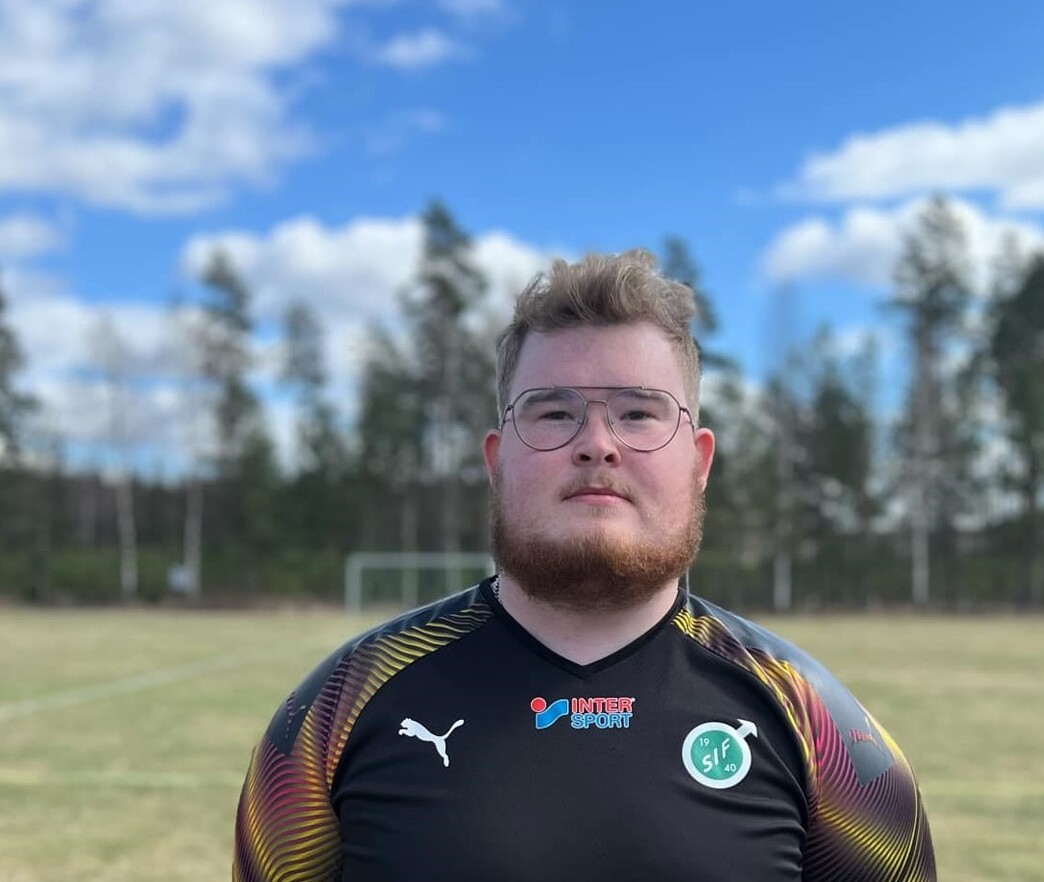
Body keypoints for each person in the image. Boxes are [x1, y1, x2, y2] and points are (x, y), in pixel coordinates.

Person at [233, 250, 936, 881]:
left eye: (638, 413)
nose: (597, 443)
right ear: (496, 460)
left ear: (698, 462)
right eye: (552, 413)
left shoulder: (817, 723)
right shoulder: (336, 710)